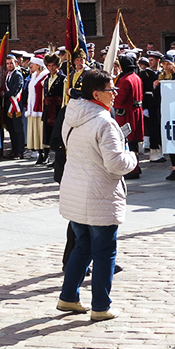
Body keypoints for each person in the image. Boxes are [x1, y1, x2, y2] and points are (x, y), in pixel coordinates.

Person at [56, 69, 137, 321]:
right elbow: (116, 164)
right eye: (110, 89)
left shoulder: (72, 116)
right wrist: (132, 157)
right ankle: (101, 306)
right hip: (99, 194)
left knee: (82, 246)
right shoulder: (104, 122)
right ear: (95, 93)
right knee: (104, 251)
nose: (115, 93)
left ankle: (68, 296)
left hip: (76, 191)